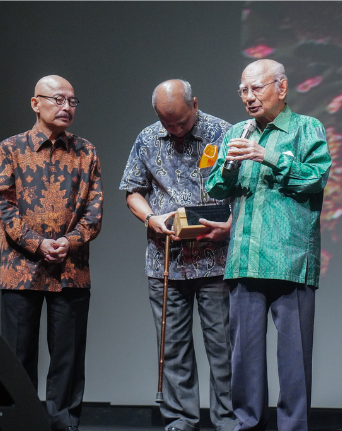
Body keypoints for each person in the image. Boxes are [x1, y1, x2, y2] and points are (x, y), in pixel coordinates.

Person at [207, 59, 332, 431]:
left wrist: (269, 156)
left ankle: (293, 426)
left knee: (294, 357)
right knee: (243, 357)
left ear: (282, 87)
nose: (249, 97)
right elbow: (215, 187)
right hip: (245, 258)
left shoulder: (306, 128)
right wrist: (229, 166)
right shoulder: (235, 132)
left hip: (290, 259)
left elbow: (316, 179)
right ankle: (247, 425)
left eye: (256, 88)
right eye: (243, 90)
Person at [119, 79, 237, 431]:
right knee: (172, 348)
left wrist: (231, 225)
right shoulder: (148, 138)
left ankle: (228, 420)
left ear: (195, 104)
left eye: (181, 122)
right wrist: (150, 218)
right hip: (166, 261)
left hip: (215, 260)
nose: (175, 130)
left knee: (223, 348)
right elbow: (133, 191)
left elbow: (244, 190)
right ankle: (180, 420)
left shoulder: (224, 133)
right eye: (167, 123)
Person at [0, 75, 103, 431]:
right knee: (18, 356)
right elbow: (5, 206)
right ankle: (19, 423)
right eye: (58, 100)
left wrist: (68, 242)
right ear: (35, 103)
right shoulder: (11, 148)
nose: (66, 107)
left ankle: (63, 425)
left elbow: (94, 211)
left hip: (71, 269)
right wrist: (37, 243)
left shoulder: (86, 151)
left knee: (68, 360)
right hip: (21, 268)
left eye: (72, 101)